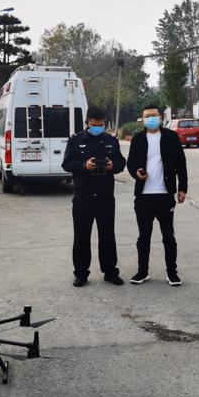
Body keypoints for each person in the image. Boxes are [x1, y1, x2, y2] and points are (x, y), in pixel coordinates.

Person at [61, 106, 127, 287]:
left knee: (107, 236)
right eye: (94, 125)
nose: (98, 127)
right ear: (87, 124)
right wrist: (84, 165)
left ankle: (110, 272)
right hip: (83, 197)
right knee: (82, 237)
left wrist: (113, 165)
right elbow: (66, 164)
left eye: (101, 125)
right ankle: (81, 274)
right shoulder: (75, 141)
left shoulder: (111, 140)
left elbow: (122, 163)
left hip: (105, 197)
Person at [126, 105, 188, 286]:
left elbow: (181, 164)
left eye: (153, 115)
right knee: (143, 236)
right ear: (142, 119)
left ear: (160, 117)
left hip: (165, 194)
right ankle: (142, 272)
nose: (150, 118)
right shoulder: (138, 139)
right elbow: (130, 163)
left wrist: (182, 188)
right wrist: (136, 173)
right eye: (147, 116)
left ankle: (172, 273)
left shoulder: (170, 137)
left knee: (168, 236)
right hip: (143, 196)